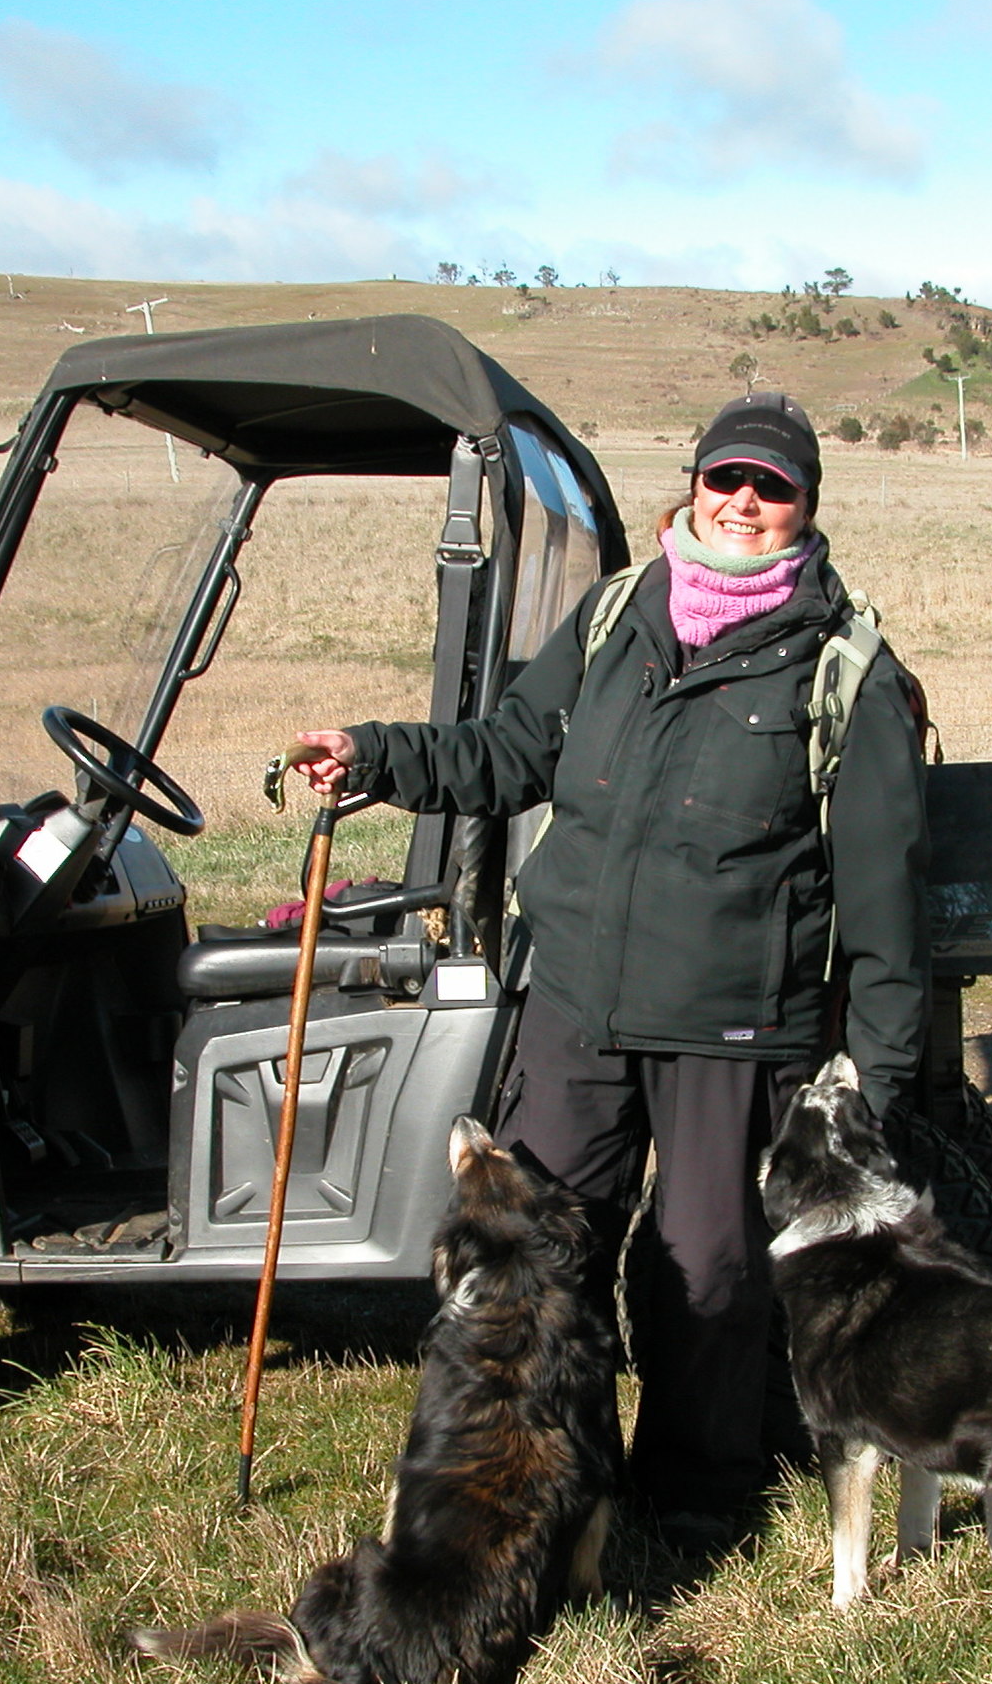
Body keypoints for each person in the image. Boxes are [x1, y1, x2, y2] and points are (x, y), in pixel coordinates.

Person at [288, 392, 929, 1538]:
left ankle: (694, 1500)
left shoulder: (846, 672)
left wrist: (876, 1087)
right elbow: (509, 750)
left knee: (710, 1277)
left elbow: (886, 912)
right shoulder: (616, 616)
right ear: (690, 487)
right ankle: (546, 1481)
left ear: (805, 508)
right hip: (576, 1006)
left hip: (733, 1029)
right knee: (535, 1254)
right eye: (724, 477)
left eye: (770, 486)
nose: (742, 501)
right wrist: (376, 755)